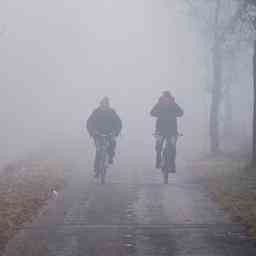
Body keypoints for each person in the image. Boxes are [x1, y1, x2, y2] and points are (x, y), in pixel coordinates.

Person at [87, 97, 122, 177]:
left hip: (109, 134)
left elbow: (118, 123)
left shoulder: (112, 112)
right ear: (100, 104)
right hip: (98, 134)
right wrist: (92, 132)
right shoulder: (96, 112)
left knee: (112, 144)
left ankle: (110, 157)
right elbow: (89, 123)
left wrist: (116, 132)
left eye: (106, 104)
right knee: (99, 151)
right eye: (103, 104)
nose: (104, 106)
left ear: (108, 105)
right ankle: (96, 170)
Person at [150, 91, 183, 172]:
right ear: (162, 98)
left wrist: (175, 114)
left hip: (172, 130)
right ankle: (158, 160)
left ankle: (172, 165)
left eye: (167, 97)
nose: (166, 99)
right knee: (158, 147)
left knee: (173, 148)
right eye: (165, 97)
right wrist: (158, 114)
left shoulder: (173, 104)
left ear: (170, 98)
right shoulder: (159, 104)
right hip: (160, 130)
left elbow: (181, 112)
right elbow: (151, 112)